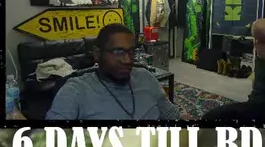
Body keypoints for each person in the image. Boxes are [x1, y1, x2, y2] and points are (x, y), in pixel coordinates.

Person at [46, 24, 183, 122]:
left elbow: (173, 116)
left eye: (131, 52)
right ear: (97, 54)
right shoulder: (75, 91)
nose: (128, 60)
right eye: (118, 52)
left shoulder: (146, 77)